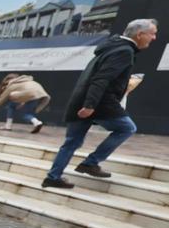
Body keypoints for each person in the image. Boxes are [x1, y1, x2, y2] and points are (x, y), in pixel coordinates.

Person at [42, 18, 158, 189]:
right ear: (140, 34)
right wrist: (90, 106)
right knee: (127, 128)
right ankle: (91, 163)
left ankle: (53, 177)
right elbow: (101, 79)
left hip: (82, 100)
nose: (154, 38)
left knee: (71, 142)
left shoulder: (113, 46)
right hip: (99, 103)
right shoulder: (124, 51)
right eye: (152, 34)